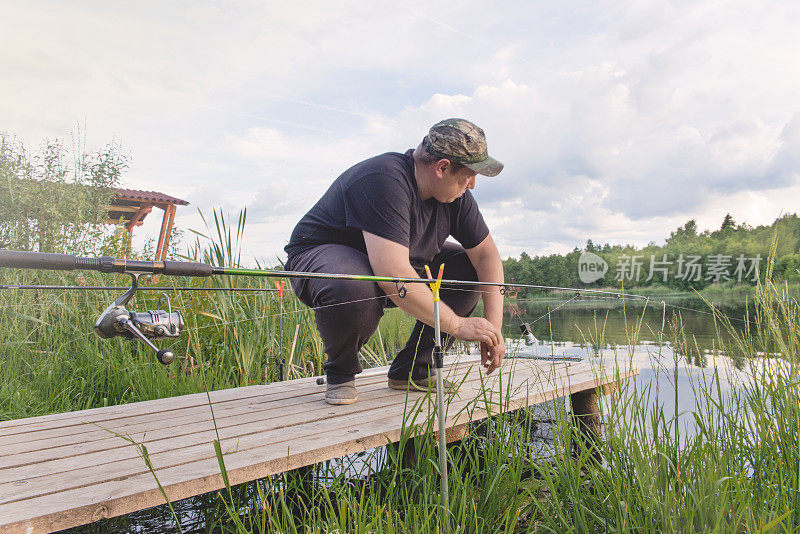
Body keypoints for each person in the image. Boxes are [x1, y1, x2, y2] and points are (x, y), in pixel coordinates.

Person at [284, 118, 506, 405]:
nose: (473, 185)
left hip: (392, 263)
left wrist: (493, 329)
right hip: (322, 259)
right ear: (442, 167)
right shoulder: (385, 179)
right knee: (354, 282)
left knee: (466, 268)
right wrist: (458, 325)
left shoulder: (456, 196)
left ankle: (414, 369)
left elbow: (487, 256)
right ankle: (341, 373)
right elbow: (393, 274)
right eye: (469, 175)